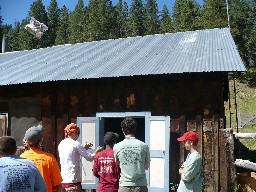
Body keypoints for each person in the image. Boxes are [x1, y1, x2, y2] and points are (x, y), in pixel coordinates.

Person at [58, 123, 103, 192]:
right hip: (73, 181)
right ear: (74, 132)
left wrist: (84, 148)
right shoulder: (76, 144)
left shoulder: (61, 144)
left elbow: (71, 154)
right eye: (78, 133)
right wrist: (97, 151)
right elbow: (90, 158)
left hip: (63, 180)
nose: (78, 136)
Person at [20, 125, 62, 192]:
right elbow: (58, 185)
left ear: (26, 141)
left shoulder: (21, 158)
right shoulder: (49, 158)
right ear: (41, 140)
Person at [113, 117, 150, 192]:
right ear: (135, 129)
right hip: (140, 185)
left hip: (124, 185)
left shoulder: (117, 146)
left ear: (123, 130)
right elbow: (147, 166)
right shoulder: (144, 146)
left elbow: (118, 163)